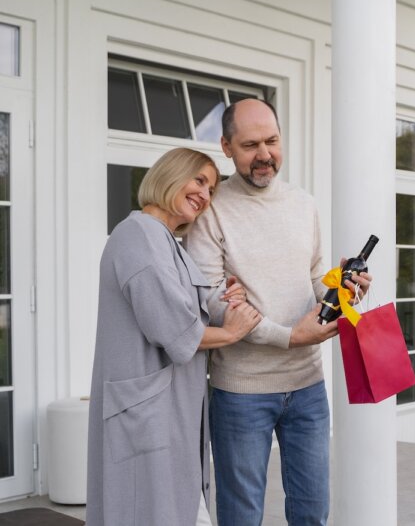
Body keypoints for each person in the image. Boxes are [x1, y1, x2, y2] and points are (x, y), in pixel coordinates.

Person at [185, 98, 371, 526]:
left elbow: (311, 280)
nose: (265, 154)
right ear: (227, 147)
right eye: (251, 145)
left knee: (312, 512)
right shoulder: (210, 210)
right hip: (241, 391)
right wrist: (289, 336)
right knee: (241, 515)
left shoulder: (304, 204)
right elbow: (216, 306)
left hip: (307, 385)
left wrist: (341, 289)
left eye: (272, 141)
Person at [86, 147, 261, 526]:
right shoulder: (139, 234)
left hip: (169, 409)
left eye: (211, 189)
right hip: (149, 411)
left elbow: (188, 307)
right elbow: (176, 332)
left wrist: (224, 298)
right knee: (157, 512)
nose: (205, 194)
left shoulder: (168, 243)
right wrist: (231, 332)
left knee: (177, 509)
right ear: (169, 175)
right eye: (198, 180)